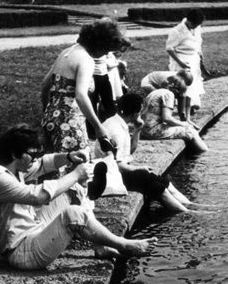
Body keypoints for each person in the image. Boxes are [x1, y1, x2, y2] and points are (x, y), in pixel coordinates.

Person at [0, 125, 157, 270]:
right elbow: (37, 197)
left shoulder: (12, 169)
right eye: (32, 155)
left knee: (74, 190)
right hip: (21, 253)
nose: (35, 160)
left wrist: (68, 157)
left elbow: (43, 164)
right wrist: (75, 174)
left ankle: (100, 246)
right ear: (14, 154)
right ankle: (124, 245)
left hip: (33, 231)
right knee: (72, 214)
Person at [92, 93, 214, 213]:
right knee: (152, 183)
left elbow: (128, 152)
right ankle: (187, 212)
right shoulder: (116, 131)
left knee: (162, 181)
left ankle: (191, 205)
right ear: (135, 113)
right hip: (111, 174)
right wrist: (138, 167)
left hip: (118, 169)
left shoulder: (117, 122)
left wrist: (137, 130)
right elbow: (116, 165)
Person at [41, 18, 125, 155]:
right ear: (99, 44)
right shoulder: (86, 60)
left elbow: (45, 84)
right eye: (105, 50)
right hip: (70, 120)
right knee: (77, 163)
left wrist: (47, 110)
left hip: (51, 116)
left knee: (55, 162)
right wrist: (98, 127)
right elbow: (80, 96)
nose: (105, 54)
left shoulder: (66, 52)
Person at [140, 80, 208, 153]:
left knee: (183, 128)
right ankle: (205, 153)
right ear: (177, 91)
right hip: (152, 131)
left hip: (143, 129)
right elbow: (167, 118)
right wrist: (184, 124)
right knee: (191, 131)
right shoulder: (169, 95)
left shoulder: (156, 92)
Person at [166, 8, 205, 122]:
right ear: (189, 20)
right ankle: (181, 115)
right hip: (182, 61)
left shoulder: (196, 28)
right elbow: (169, 48)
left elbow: (198, 43)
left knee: (192, 90)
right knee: (183, 90)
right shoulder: (177, 31)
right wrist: (180, 62)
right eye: (194, 24)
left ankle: (188, 117)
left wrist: (200, 56)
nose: (196, 27)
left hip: (193, 61)